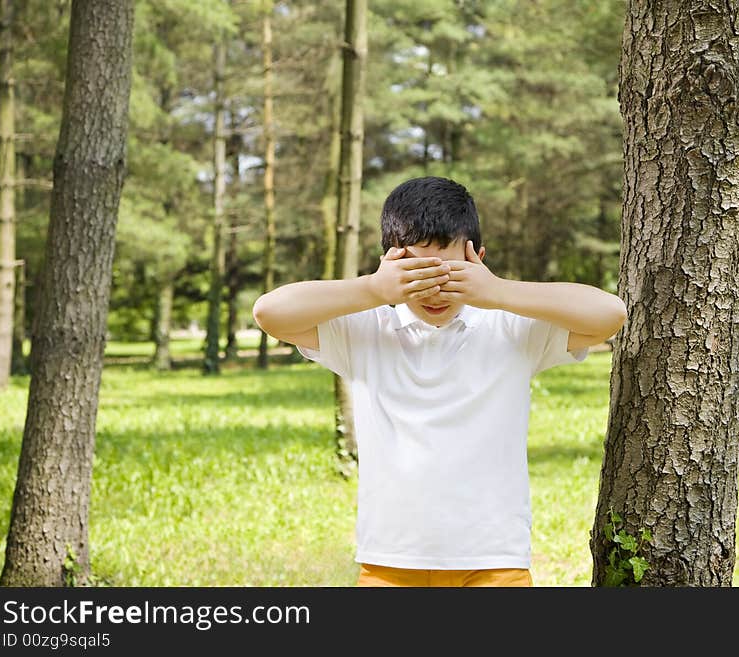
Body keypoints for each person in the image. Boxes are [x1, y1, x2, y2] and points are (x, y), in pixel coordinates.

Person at [252, 176, 627, 587]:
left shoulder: (512, 329)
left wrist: (498, 290)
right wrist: (373, 288)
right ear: (391, 264)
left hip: (493, 560)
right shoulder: (365, 331)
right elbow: (270, 313)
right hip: (389, 561)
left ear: (477, 260)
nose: (434, 291)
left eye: (449, 275)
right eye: (416, 274)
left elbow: (609, 314)